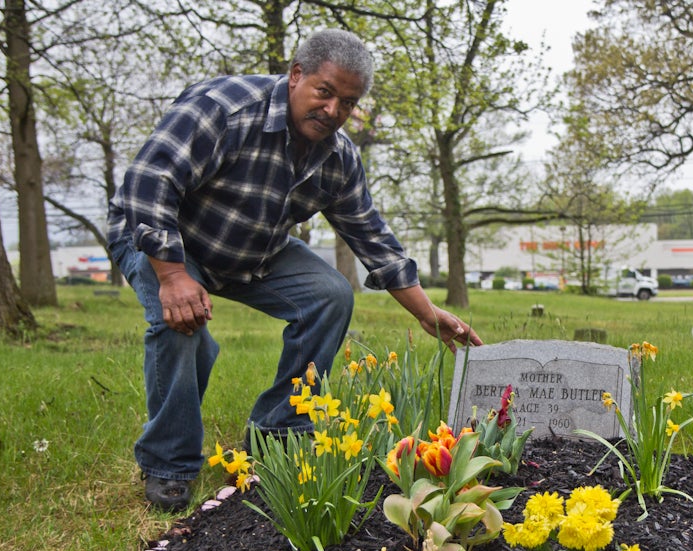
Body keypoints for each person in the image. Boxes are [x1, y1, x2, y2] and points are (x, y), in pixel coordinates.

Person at [107, 29, 481, 512]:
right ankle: (169, 463)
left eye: (347, 103)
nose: (332, 111)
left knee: (329, 293)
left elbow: (375, 242)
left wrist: (428, 314)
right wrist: (174, 277)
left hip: (252, 249)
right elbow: (148, 183)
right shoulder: (225, 108)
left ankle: (277, 430)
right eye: (324, 92)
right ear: (296, 75)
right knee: (182, 328)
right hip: (165, 239)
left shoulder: (338, 158)